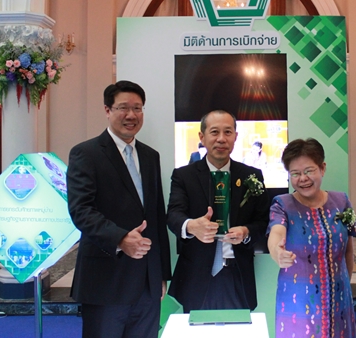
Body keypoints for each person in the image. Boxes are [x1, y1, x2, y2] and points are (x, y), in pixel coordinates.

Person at [67, 81, 171, 338]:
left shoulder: (150, 156)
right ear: (107, 110)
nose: (131, 115)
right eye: (123, 108)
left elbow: (156, 216)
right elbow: (81, 210)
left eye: (137, 108)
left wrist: (160, 274)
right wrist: (120, 238)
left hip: (147, 284)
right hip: (106, 280)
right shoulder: (86, 153)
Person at [167, 110, 270, 312]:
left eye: (228, 132)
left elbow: (263, 220)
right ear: (202, 136)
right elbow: (173, 215)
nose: (221, 139)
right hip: (196, 276)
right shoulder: (184, 175)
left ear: (235, 137)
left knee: (239, 328)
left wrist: (246, 232)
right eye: (214, 132)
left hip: (238, 275)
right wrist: (192, 226)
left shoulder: (252, 175)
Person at [267, 138, 356, 338]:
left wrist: (345, 286)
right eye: (295, 173)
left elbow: (348, 250)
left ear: (322, 168)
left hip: (340, 301)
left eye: (309, 171)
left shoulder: (341, 201)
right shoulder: (282, 205)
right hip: (299, 305)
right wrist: (277, 252)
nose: (303, 178)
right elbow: (276, 233)